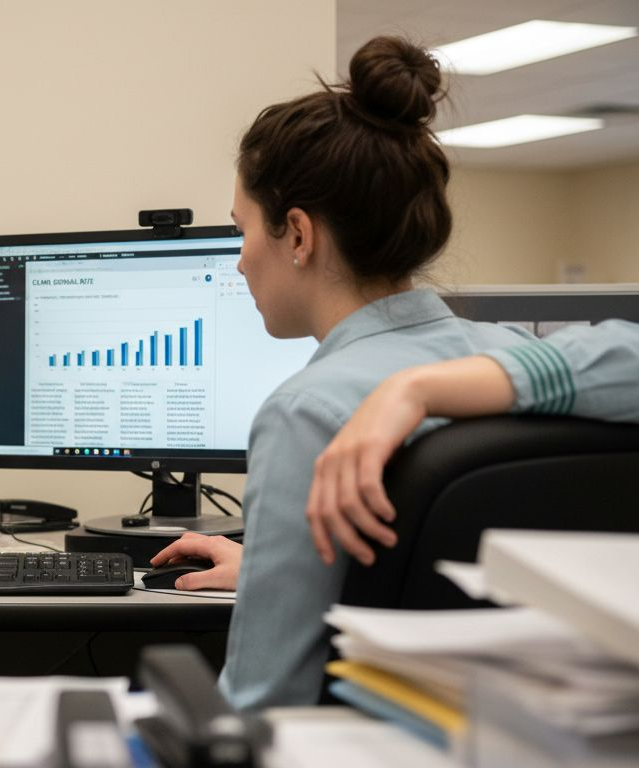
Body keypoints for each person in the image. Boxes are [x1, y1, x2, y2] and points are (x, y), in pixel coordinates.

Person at [146, 36, 536, 709]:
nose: (239, 262)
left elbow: (266, 702)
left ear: (298, 235)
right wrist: (270, 568)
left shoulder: (307, 412)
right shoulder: (515, 360)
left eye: (243, 231)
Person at [307, 320, 639, 566]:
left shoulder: (303, 407)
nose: (249, 258)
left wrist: (414, 389)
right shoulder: (514, 343)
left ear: (299, 235)